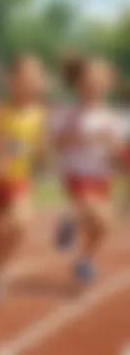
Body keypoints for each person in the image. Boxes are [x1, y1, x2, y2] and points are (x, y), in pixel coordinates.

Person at [0, 55, 47, 305]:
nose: (30, 84)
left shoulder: (39, 115)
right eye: (25, 78)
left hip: (18, 182)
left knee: (20, 224)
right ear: (12, 81)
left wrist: (40, 157)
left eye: (35, 79)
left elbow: (40, 152)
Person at [51, 56, 124, 282]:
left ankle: (84, 260)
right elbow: (58, 141)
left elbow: (119, 152)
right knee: (98, 217)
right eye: (90, 80)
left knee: (103, 226)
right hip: (77, 175)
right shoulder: (69, 113)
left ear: (108, 84)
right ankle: (71, 220)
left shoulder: (113, 118)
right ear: (79, 84)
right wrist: (88, 137)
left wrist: (117, 151)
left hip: (102, 177)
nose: (95, 85)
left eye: (100, 80)